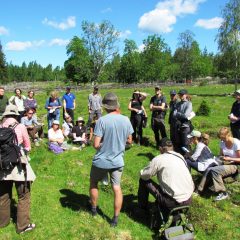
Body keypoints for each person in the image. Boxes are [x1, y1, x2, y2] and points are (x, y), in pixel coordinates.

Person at [89, 92, 133, 227]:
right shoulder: (126, 119)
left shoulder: (102, 120)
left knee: (93, 182)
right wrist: (118, 145)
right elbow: (130, 141)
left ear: (105, 106)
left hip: (102, 160)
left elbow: (96, 144)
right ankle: (114, 219)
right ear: (116, 105)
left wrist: (105, 144)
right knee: (117, 188)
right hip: (118, 161)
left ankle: (94, 210)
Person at [0, 105, 36, 234]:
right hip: (19, 166)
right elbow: (28, 146)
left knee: (3, 195)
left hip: (3, 167)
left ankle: (2, 222)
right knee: (23, 196)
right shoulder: (20, 127)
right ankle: (22, 226)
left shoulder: (0, 127)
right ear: (16, 115)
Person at [137, 138, 194, 213]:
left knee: (143, 180)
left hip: (173, 202)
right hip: (188, 199)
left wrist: (142, 171)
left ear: (160, 148)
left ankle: (142, 208)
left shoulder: (159, 159)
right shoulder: (180, 157)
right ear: (172, 147)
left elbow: (144, 175)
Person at [197, 127, 239, 201]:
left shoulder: (236, 143)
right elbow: (221, 155)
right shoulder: (222, 143)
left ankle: (223, 192)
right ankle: (199, 190)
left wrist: (230, 159)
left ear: (228, 135)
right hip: (225, 163)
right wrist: (220, 158)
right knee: (209, 169)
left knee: (215, 170)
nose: (222, 140)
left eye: (223, 138)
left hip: (235, 165)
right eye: (221, 138)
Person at [172, 89, 193, 154]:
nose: (181, 96)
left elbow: (186, 115)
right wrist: (181, 114)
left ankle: (188, 158)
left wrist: (178, 114)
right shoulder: (178, 104)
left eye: (182, 94)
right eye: (180, 94)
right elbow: (173, 114)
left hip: (185, 126)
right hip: (178, 126)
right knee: (178, 143)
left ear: (186, 95)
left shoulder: (189, 104)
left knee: (185, 144)